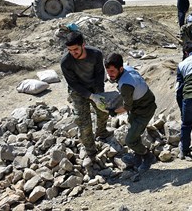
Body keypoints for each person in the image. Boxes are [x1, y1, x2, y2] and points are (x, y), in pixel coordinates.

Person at [60, 31, 111, 167]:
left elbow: (100, 74)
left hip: (94, 86)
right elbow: (73, 84)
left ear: (83, 45)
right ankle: (91, 152)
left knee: (103, 112)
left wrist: (99, 94)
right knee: (84, 123)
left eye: (76, 49)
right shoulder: (66, 62)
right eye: (70, 50)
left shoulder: (96, 54)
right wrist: (90, 96)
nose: (73, 53)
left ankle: (102, 133)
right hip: (78, 91)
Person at [104, 53, 157, 173]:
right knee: (133, 130)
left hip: (144, 110)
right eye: (108, 71)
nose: (110, 74)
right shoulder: (128, 69)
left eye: (112, 71)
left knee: (130, 140)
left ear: (120, 69)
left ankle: (148, 156)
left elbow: (127, 107)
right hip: (140, 105)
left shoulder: (126, 85)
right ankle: (138, 155)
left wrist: (113, 111)